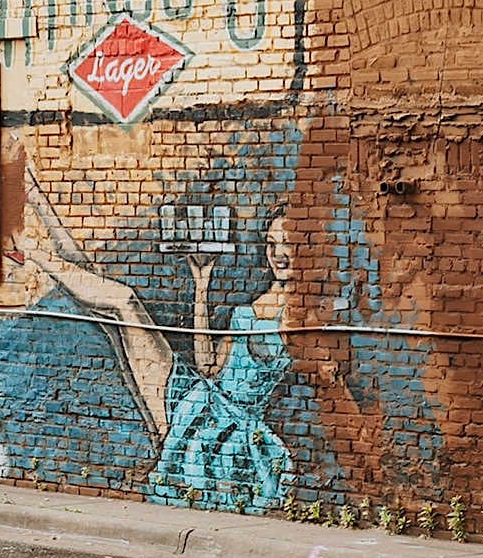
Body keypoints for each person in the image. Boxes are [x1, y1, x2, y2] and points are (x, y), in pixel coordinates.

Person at [21, 183, 294, 513]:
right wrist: (202, 285)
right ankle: (35, 200)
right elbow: (208, 365)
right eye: (272, 243)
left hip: (214, 426)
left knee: (122, 302)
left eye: (289, 243)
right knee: (111, 314)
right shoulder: (260, 301)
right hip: (200, 396)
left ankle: (29, 247)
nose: (279, 253)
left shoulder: (297, 312)